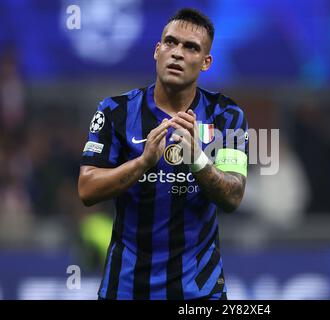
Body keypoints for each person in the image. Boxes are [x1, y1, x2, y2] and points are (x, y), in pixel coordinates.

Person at [77, 8, 248, 300]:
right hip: (126, 288)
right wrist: (142, 163)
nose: (177, 53)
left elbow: (233, 196)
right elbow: (87, 188)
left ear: (206, 62)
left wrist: (197, 159)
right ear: (157, 50)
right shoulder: (115, 111)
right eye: (170, 42)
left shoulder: (226, 116)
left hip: (200, 293)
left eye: (191, 47)